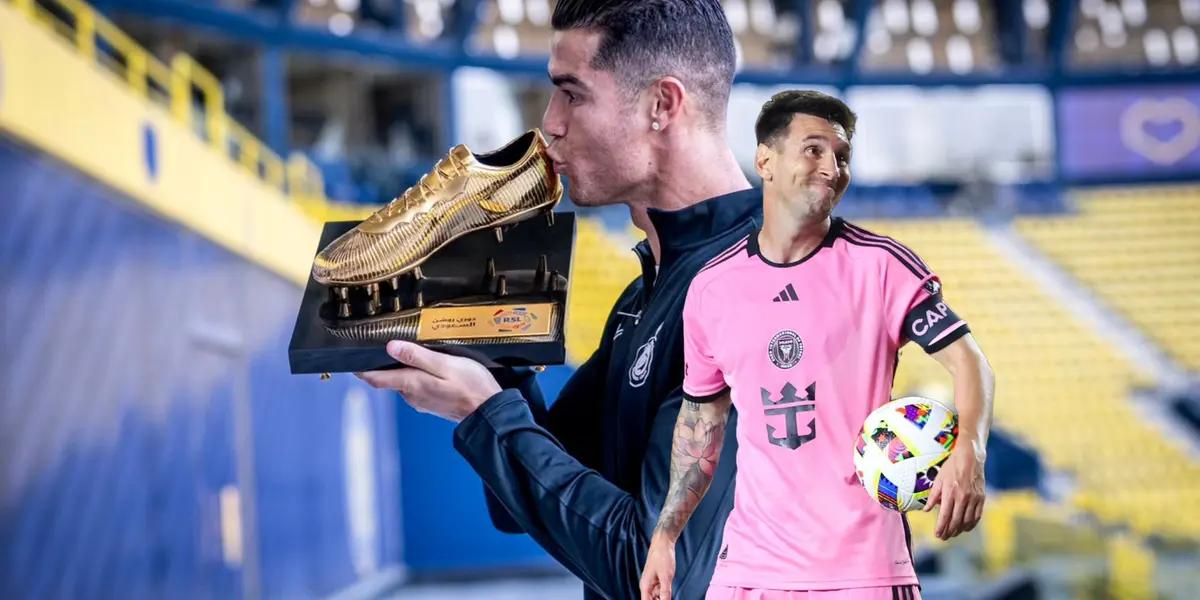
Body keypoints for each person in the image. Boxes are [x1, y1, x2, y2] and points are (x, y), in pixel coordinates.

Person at [356, 1, 761, 597]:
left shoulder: (760, 291)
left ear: (662, 105)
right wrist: (492, 361)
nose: (550, 123)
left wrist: (484, 411)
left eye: (572, 94)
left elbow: (652, 575)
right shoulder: (648, 294)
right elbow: (522, 500)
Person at [638, 91, 996, 600]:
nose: (832, 167)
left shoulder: (881, 265)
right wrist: (666, 534)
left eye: (842, 156)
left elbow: (970, 363)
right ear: (765, 159)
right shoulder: (712, 288)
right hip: (747, 571)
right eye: (814, 150)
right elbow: (702, 425)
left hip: (862, 574)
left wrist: (970, 451)